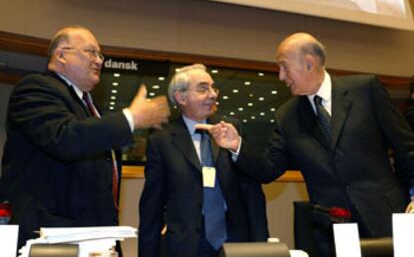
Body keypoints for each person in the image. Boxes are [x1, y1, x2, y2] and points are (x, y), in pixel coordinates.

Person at [199, 33, 414, 257]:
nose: (281, 76)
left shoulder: (365, 90)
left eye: (284, 67)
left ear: (309, 63)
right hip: (333, 227)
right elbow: (268, 169)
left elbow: (406, 147)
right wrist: (237, 145)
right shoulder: (287, 116)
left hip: (386, 216)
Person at [0, 25, 170, 249]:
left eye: (101, 55)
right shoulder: (35, 88)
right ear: (61, 55)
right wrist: (130, 118)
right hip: (49, 238)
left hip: (92, 237)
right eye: (91, 52)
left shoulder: (90, 107)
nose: (99, 61)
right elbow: (65, 138)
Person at [138, 64, 268, 257]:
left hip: (235, 240)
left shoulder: (231, 128)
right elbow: (151, 206)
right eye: (203, 89)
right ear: (181, 98)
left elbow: (255, 183)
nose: (213, 94)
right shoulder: (162, 140)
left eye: (213, 88)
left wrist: (236, 146)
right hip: (187, 244)